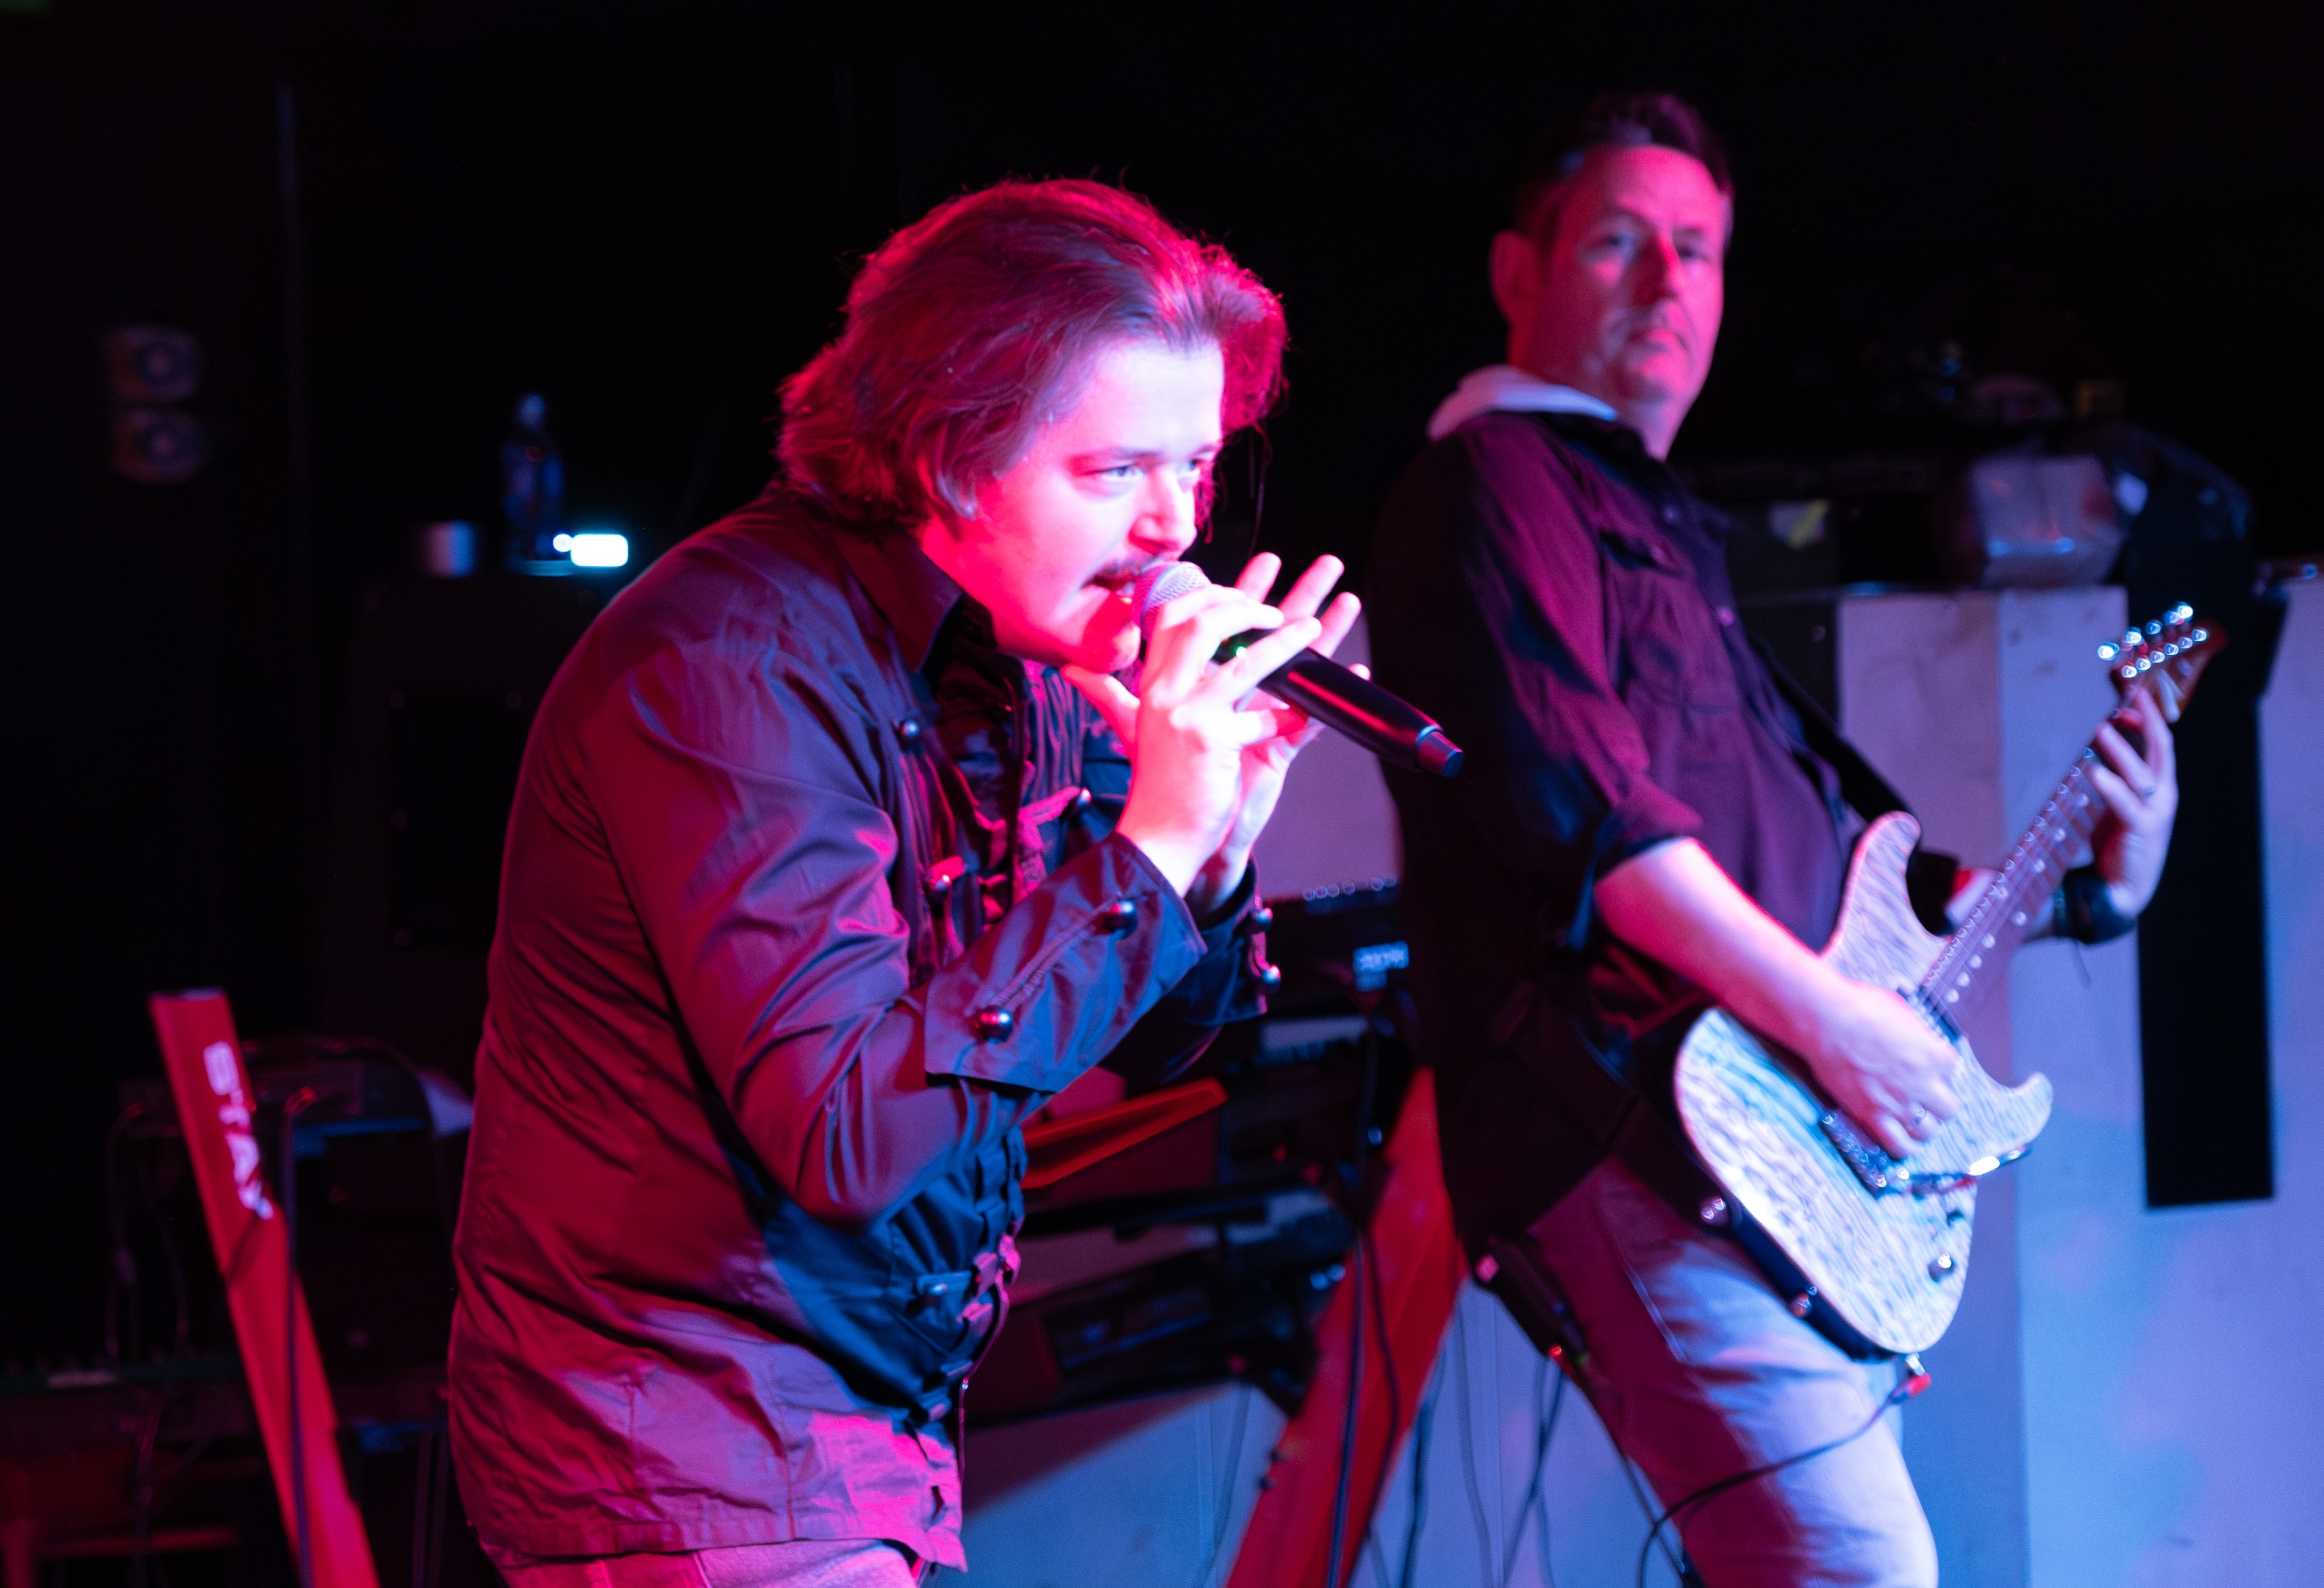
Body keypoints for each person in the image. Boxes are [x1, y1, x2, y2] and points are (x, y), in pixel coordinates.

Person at [448, 179, 1359, 1587]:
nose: (1174, 527)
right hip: (681, 1439)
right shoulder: (728, 666)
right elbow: (850, 1136)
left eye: (1195, 465)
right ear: (948, 456)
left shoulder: (1023, 654)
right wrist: (1152, 854)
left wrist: (1216, 843)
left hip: (859, 1433)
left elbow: (1160, 1042)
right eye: (1114, 471)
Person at [1366, 95, 2180, 1587]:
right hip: (1639, 1120)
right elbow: (1592, 822)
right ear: (1516, 273)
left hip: (1765, 1129)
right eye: (1618, 243)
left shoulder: (1664, 520)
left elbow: (1848, 861)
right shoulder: (1495, 482)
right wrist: (1835, 1028)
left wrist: (2101, 885)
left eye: (1698, 249)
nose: (1667, 282)